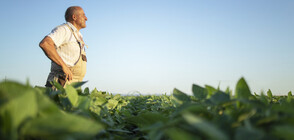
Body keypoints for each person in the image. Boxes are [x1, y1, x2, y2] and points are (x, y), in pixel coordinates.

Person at [39, 6, 88, 88]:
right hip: (61, 82)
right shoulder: (64, 29)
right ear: (74, 17)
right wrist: (63, 66)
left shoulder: (78, 35)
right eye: (83, 15)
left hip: (74, 84)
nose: (86, 18)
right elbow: (45, 44)